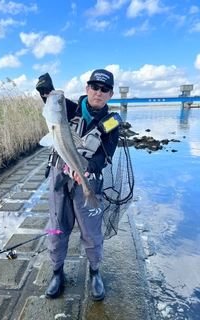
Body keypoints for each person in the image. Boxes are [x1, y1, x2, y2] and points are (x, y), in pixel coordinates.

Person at [36, 69, 121, 300]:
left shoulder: (112, 123)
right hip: (59, 178)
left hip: (87, 181)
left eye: (104, 89)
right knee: (57, 227)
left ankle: (94, 273)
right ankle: (57, 272)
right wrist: (46, 90)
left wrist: (87, 169)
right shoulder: (69, 108)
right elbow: (51, 104)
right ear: (87, 89)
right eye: (94, 87)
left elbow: (105, 155)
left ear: (110, 94)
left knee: (92, 232)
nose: (98, 92)